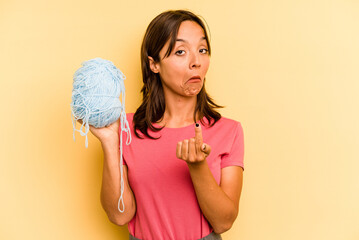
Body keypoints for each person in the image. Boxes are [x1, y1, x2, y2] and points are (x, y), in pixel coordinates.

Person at [85, 9, 245, 240]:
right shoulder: (126, 129)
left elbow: (223, 222)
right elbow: (120, 216)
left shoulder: (228, 131)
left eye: (202, 50)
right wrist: (110, 142)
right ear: (154, 64)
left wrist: (198, 167)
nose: (196, 62)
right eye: (181, 51)